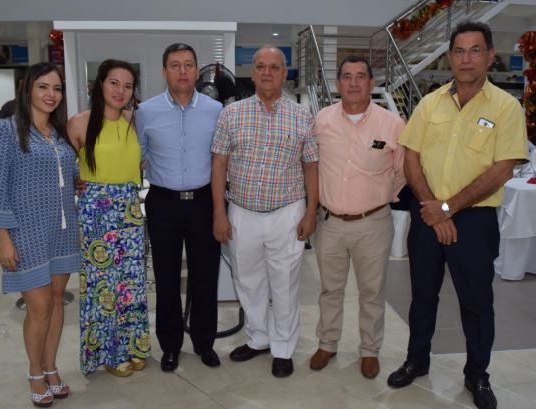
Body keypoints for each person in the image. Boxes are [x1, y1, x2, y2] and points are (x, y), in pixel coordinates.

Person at [387, 21, 528, 409]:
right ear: (449, 57)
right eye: (459, 51)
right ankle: (417, 360)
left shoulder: (506, 107)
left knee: (477, 302)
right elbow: (411, 157)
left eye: (475, 50)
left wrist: (448, 208)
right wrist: (434, 208)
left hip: (474, 222)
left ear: (490, 56)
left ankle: (477, 374)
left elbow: (502, 168)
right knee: (422, 296)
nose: (466, 59)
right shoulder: (430, 103)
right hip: (427, 212)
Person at [211, 45, 319, 378]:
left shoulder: (302, 116)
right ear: (252, 72)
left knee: (285, 283)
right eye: (260, 66)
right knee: (248, 281)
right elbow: (219, 164)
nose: (267, 72)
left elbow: (311, 166)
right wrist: (219, 213)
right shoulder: (231, 114)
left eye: (274, 67)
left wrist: (311, 212)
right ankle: (258, 339)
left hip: (287, 211)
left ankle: (283, 347)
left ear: (284, 73)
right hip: (242, 212)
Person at [0, 62, 80, 407]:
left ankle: (52, 368)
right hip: (26, 231)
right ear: (27, 89)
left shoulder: (58, 134)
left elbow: (66, 175)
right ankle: (35, 372)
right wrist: (3, 237)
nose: (51, 94)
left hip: (62, 230)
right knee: (38, 308)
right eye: (43, 87)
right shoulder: (7, 131)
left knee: (56, 301)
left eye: (56, 88)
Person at [309, 55, 405, 378]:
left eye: (360, 76)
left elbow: (402, 170)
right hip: (330, 223)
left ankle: (369, 350)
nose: (353, 83)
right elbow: (311, 165)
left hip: (373, 224)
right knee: (330, 289)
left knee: (372, 292)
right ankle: (327, 343)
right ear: (338, 83)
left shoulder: (392, 124)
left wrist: (381, 197)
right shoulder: (322, 120)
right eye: (347, 76)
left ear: (371, 83)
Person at [135, 43, 223, 372]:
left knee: (205, 277)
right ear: (164, 72)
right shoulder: (147, 112)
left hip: (203, 202)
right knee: (167, 279)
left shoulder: (216, 110)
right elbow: (138, 156)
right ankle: (170, 346)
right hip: (163, 204)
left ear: (197, 70)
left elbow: (221, 159)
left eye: (188, 64)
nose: (182, 71)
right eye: (175, 65)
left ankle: (204, 342)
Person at [67, 59, 150, 377]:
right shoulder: (79, 123)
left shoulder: (133, 121)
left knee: (131, 282)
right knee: (104, 285)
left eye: (127, 86)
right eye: (114, 82)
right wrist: (76, 180)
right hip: (96, 214)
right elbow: (63, 168)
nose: (120, 90)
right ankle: (109, 353)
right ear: (99, 84)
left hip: (129, 209)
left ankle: (133, 345)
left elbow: (140, 161)